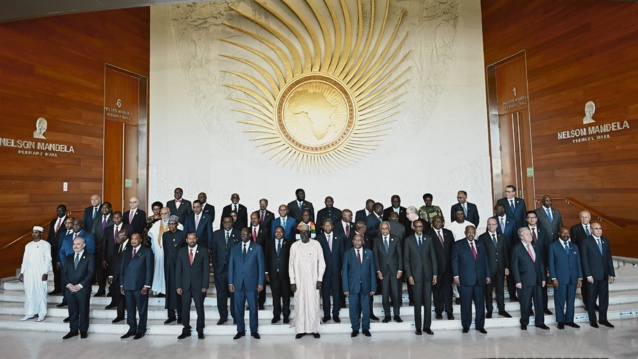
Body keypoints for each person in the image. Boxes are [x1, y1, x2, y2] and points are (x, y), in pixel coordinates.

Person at [289, 223, 325, 339]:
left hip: (313, 280)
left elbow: (322, 263)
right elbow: (291, 265)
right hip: (299, 281)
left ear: (309, 233)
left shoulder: (316, 244)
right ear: (299, 234)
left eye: (306, 232)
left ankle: (315, 329)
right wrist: (292, 281)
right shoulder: (295, 246)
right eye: (302, 232)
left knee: (313, 303)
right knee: (300, 303)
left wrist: (319, 278)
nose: (304, 234)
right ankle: (300, 329)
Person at [452, 225, 490, 334]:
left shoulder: (481, 244)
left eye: (472, 232)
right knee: (465, 304)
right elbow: (454, 261)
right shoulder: (458, 244)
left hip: (480, 279)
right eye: (468, 232)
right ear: (465, 233)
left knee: (480, 304)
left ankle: (480, 325)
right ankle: (466, 325)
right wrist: (456, 276)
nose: (470, 234)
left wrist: (487, 275)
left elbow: (485, 260)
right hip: (465, 279)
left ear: (475, 233)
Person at [228, 228, 265, 340]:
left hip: (252, 283)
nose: (243, 235)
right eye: (242, 233)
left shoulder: (257, 248)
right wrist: (230, 282)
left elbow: (261, 267)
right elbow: (231, 267)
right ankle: (240, 330)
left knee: (253, 308)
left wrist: (260, 282)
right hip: (238, 283)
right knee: (238, 308)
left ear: (250, 235)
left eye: (245, 233)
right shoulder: (234, 248)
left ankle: (254, 330)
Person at [510, 227, 549, 331]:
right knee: (525, 303)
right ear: (521, 237)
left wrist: (543, 278)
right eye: (527, 234)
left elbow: (540, 263)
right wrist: (518, 281)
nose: (530, 236)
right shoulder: (516, 248)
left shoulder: (535, 246)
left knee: (539, 303)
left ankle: (540, 322)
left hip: (538, 279)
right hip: (524, 280)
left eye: (530, 234)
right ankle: (524, 322)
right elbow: (514, 266)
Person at [404, 220, 438, 335]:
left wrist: (434, 274)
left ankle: (427, 327)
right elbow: (406, 260)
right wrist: (409, 275)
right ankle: (418, 327)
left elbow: (433, 257)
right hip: (415, 276)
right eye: (417, 227)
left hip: (428, 275)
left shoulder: (428, 239)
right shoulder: (408, 240)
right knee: (417, 303)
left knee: (428, 302)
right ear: (414, 227)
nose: (419, 228)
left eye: (421, 227)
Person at [580, 222, 615, 328]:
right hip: (592, 276)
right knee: (591, 299)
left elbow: (608, 258)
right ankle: (593, 320)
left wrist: (611, 273)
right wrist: (588, 275)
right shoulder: (585, 241)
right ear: (591, 230)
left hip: (604, 275)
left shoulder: (606, 241)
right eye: (596, 228)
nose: (599, 230)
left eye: (600, 228)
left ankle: (603, 319)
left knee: (604, 298)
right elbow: (584, 259)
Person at [120, 233, 154, 339]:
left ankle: (141, 330)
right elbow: (122, 269)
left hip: (140, 286)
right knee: (130, 309)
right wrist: (122, 284)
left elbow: (149, 269)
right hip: (128, 285)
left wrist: (147, 285)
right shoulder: (126, 252)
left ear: (140, 240)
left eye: (136, 239)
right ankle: (132, 329)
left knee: (142, 309)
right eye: (132, 239)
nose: (133, 241)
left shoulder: (147, 251)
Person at [176, 232, 209, 340]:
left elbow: (206, 270)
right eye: (189, 238)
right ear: (186, 240)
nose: (192, 240)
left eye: (193, 238)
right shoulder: (181, 252)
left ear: (197, 239)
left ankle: (200, 330)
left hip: (198, 286)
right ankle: (186, 329)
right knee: (185, 308)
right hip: (185, 285)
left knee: (200, 308)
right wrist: (178, 285)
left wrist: (205, 285)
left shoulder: (203, 251)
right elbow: (178, 270)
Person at [342, 234, 376, 337]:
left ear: (363, 241)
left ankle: (366, 328)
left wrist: (373, 287)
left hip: (366, 286)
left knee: (366, 309)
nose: (357, 242)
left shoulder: (369, 253)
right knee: (353, 309)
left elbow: (372, 271)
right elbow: (345, 272)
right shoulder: (347, 254)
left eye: (359, 240)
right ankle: (355, 328)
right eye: (355, 240)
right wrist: (345, 288)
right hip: (353, 287)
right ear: (352, 241)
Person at [548, 227, 582, 330]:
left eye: (567, 233)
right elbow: (551, 264)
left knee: (571, 300)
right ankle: (560, 321)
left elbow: (578, 263)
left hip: (573, 278)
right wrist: (553, 278)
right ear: (559, 233)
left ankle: (569, 320)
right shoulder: (553, 246)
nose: (566, 235)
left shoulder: (574, 246)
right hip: (560, 279)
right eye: (563, 233)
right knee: (560, 300)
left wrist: (580, 277)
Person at [61, 237, 95, 339]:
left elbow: (91, 273)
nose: (75, 246)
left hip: (83, 289)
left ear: (84, 245)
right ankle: (73, 330)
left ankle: (83, 330)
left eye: (78, 244)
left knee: (83, 310)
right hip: (70, 289)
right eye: (74, 244)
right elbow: (63, 273)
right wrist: (68, 285)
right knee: (72, 310)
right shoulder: (69, 257)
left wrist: (79, 285)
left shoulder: (90, 257)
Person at [478, 218, 511, 318]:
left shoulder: (502, 236)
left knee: (500, 290)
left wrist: (507, 266)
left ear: (497, 225)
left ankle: (502, 309)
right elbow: (481, 256)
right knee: (488, 291)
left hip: (500, 268)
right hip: (488, 270)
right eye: (489, 224)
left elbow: (505, 252)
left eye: (493, 224)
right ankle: (489, 310)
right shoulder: (482, 237)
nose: (491, 226)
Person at [210, 216, 240, 325]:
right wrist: (216, 266)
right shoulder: (216, 234)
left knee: (234, 295)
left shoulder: (238, 234)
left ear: (232, 222)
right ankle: (223, 316)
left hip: (234, 271)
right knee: (221, 294)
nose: (227, 224)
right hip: (220, 270)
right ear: (222, 223)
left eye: (229, 222)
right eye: (225, 222)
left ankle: (235, 316)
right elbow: (213, 251)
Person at [19, 226, 52, 322]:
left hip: (40, 272)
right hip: (29, 273)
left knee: (41, 292)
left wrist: (45, 272)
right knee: (29, 292)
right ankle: (29, 313)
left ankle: (41, 313)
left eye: (36, 232)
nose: (34, 234)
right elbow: (24, 260)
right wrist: (22, 273)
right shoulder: (28, 245)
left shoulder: (46, 244)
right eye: (33, 232)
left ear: (41, 234)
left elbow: (48, 259)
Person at [373, 221, 403, 323]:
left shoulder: (396, 239)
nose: (384, 230)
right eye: (382, 229)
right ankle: (387, 315)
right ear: (380, 230)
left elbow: (400, 255)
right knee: (385, 295)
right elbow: (376, 256)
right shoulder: (376, 240)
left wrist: (400, 269)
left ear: (389, 229)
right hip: (383, 272)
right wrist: (378, 270)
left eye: (386, 228)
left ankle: (397, 315)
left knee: (396, 294)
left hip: (395, 271)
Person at [103, 211, 132, 309]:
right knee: (113, 284)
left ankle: (125, 304)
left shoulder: (129, 228)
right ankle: (114, 301)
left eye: (118, 217)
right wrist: (103, 258)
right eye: (114, 217)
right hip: (112, 260)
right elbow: (104, 245)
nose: (116, 219)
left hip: (125, 264)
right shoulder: (108, 229)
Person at [427, 215, 455, 320]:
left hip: (448, 268)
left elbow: (453, 251)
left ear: (443, 222)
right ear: (432, 222)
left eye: (440, 221)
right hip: (435, 269)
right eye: (435, 221)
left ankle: (449, 311)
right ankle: (439, 311)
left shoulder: (449, 233)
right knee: (437, 291)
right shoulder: (428, 234)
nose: (438, 223)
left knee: (448, 291)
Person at [525, 210, 552, 315]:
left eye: (534, 217)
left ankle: (544, 307)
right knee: (530, 286)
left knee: (543, 286)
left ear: (537, 219)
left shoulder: (543, 231)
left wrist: (547, 264)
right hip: (528, 264)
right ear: (526, 219)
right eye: (529, 217)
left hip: (541, 264)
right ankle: (530, 308)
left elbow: (546, 248)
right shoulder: (522, 230)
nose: (532, 219)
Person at [316, 218, 343, 323]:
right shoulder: (318, 238)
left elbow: (341, 255)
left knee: (337, 293)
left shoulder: (339, 238)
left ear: (332, 226)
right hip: (324, 272)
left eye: (329, 225)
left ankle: (335, 314)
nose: (327, 227)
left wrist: (342, 269)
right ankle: (326, 314)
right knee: (325, 294)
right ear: (322, 227)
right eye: (325, 225)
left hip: (336, 271)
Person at [266, 226, 293, 324]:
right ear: (274, 233)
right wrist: (266, 272)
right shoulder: (269, 243)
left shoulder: (289, 243)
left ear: (284, 233)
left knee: (286, 296)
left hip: (285, 275)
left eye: (280, 231)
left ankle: (286, 315)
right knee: (275, 296)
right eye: (277, 231)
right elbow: (266, 258)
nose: (278, 233)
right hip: (273, 275)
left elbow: (291, 259)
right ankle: (276, 315)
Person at [163, 215, 187, 324]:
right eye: (169, 224)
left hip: (179, 266)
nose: (171, 226)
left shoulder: (182, 234)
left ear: (177, 224)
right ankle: (171, 315)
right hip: (168, 266)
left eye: (173, 224)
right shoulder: (165, 235)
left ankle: (181, 316)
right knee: (169, 290)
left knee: (179, 289)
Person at [492, 203, 518, 301]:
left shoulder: (512, 221)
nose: (497, 211)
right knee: (498, 273)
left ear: (503, 209)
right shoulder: (492, 221)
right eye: (496, 210)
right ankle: (498, 295)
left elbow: (515, 237)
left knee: (511, 273)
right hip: (497, 252)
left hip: (510, 251)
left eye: (499, 209)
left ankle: (512, 294)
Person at [148, 207, 176, 296]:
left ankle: (168, 290)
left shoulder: (175, 224)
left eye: (165, 213)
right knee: (158, 270)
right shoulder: (156, 224)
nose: (164, 215)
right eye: (162, 214)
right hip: (158, 253)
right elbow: (151, 234)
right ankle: (158, 290)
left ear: (169, 213)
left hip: (170, 253)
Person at [570, 210, 593, 307]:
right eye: (582, 217)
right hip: (581, 258)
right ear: (579, 218)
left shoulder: (594, 227)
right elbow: (573, 245)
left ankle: (593, 302)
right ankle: (587, 303)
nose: (584, 219)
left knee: (593, 283)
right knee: (585, 282)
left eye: (586, 217)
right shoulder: (575, 229)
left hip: (593, 259)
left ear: (589, 218)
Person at [107, 229, 130, 323]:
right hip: (117, 275)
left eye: (118, 236)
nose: (116, 238)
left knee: (128, 297)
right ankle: (120, 315)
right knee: (118, 296)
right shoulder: (117, 246)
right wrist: (111, 275)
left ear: (124, 237)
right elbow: (113, 261)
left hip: (128, 276)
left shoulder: (131, 246)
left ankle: (130, 316)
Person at [91, 201, 112, 297]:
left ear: (110, 209)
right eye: (102, 208)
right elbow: (93, 234)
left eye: (106, 207)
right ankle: (101, 289)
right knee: (100, 270)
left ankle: (112, 290)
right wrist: (95, 245)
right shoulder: (97, 219)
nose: (104, 209)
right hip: (99, 249)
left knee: (111, 269)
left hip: (110, 249)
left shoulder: (114, 218)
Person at [249, 211, 268, 309]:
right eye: (252, 218)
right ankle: (251, 302)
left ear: (259, 219)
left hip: (261, 260)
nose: (253, 220)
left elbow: (267, 247)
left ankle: (261, 303)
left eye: (255, 218)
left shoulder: (264, 231)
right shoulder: (247, 230)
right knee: (251, 282)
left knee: (261, 281)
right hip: (250, 262)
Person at [47, 204, 67, 295]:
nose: (59, 212)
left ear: (65, 211)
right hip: (53, 249)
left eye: (61, 210)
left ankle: (64, 288)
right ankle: (57, 288)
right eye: (58, 210)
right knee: (55, 269)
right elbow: (50, 235)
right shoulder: (53, 221)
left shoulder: (69, 221)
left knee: (63, 269)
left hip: (63, 249)